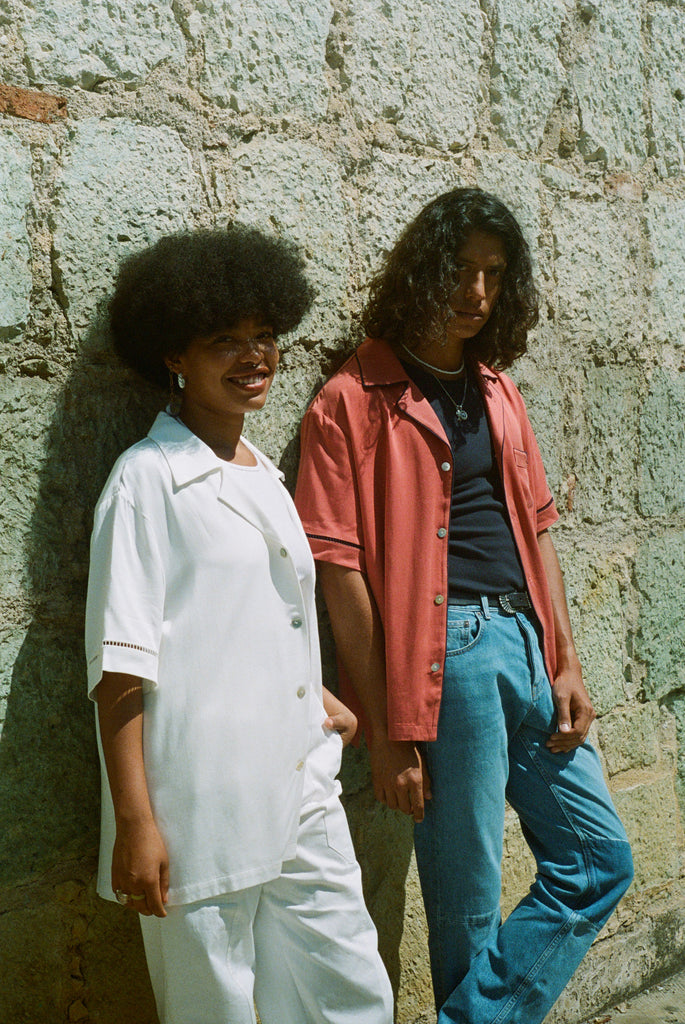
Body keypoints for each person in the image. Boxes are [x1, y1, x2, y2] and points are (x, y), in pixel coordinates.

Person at [294, 188, 633, 1024]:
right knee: (469, 900)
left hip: (522, 640)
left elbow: (539, 534)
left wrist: (565, 659)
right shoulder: (352, 398)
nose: (475, 291)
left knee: (598, 860)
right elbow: (340, 577)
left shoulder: (497, 391)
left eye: (492, 274)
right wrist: (391, 731)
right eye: (459, 269)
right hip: (442, 662)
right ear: (421, 269)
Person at [85, 225, 393, 1024]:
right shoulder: (145, 483)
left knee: (350, 992)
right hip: (200, 809)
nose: (253, 357)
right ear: (173, 357)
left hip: (301, 789)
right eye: (225, 341)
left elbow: (256, 619)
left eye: (264, 338)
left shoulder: (263, 475)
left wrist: (314, 699)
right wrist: (137, 825)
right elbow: (119, 669)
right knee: (214, 1009)